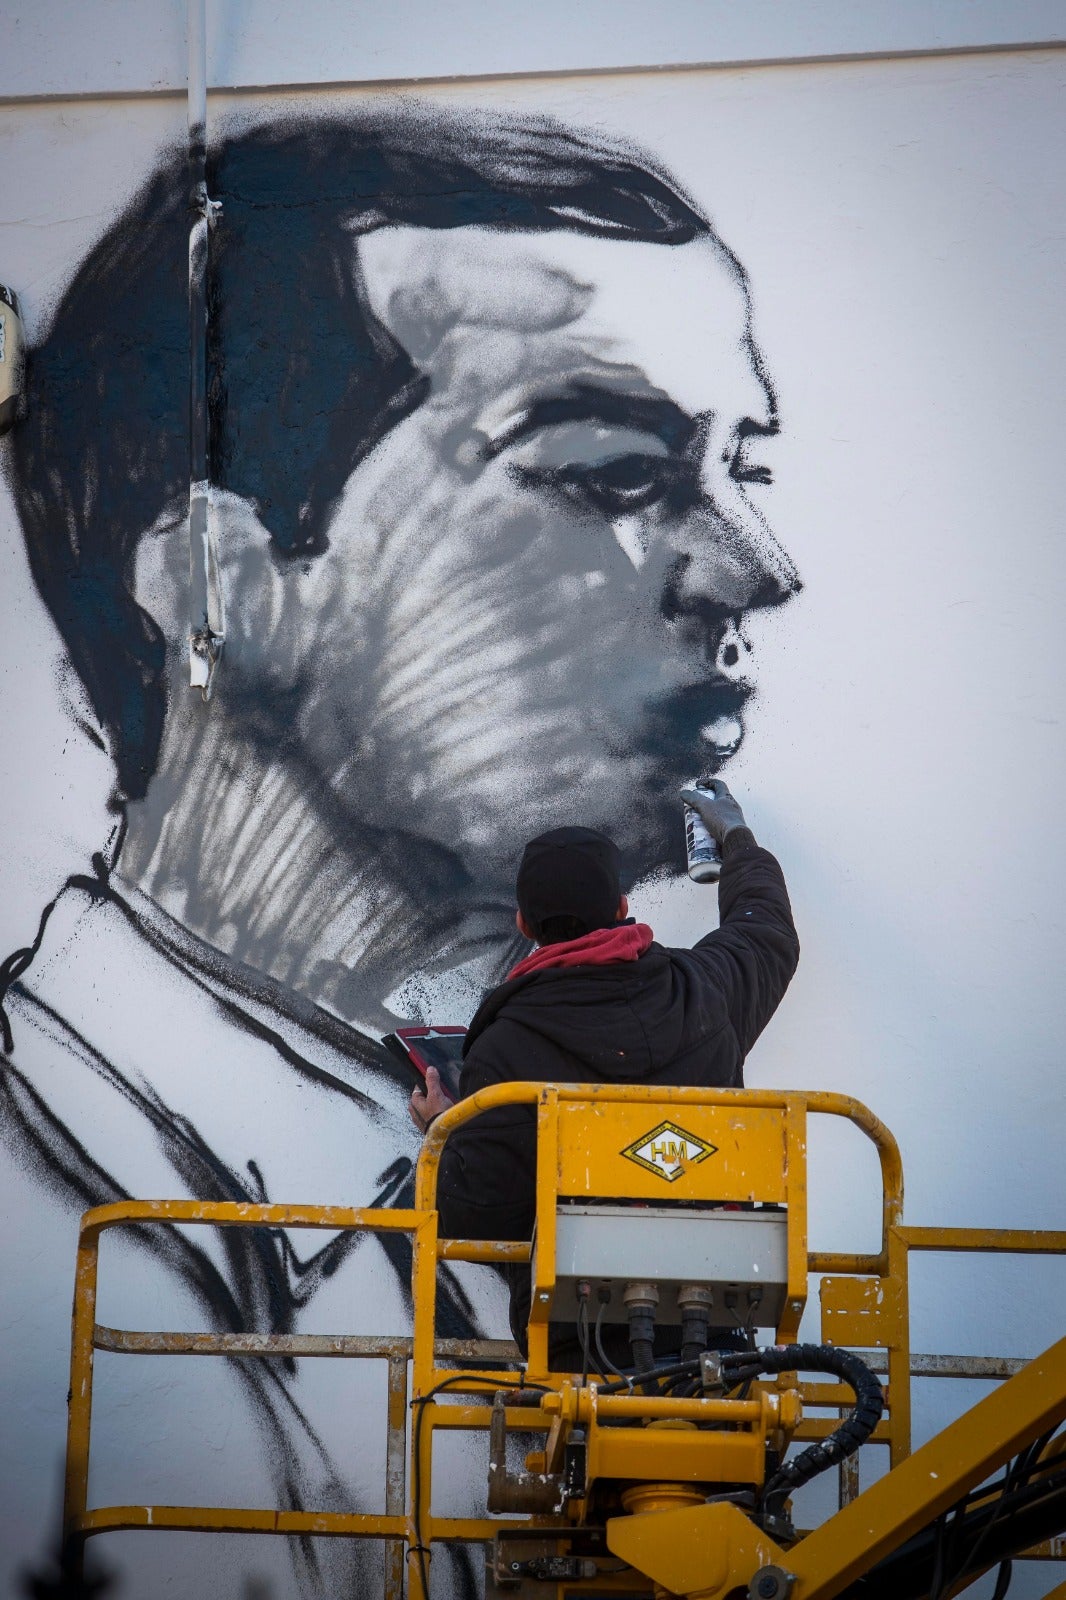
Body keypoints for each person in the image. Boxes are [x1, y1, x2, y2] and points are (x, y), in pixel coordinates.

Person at [1, 102, 798, 1596]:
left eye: (747, 465)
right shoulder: (42, 1219)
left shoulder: (461, 1118)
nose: (758, 568)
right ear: (228, 584)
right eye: (615, 475)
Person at [409, 780, 799, 1359]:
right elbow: (766, 935)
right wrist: (737, 839)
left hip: (573, 1346)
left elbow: (473, 1214)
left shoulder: (508, 1044)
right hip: (717, 1332)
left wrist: (443, 1131)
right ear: (621, 909)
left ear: (523, 924)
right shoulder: (705, 995)